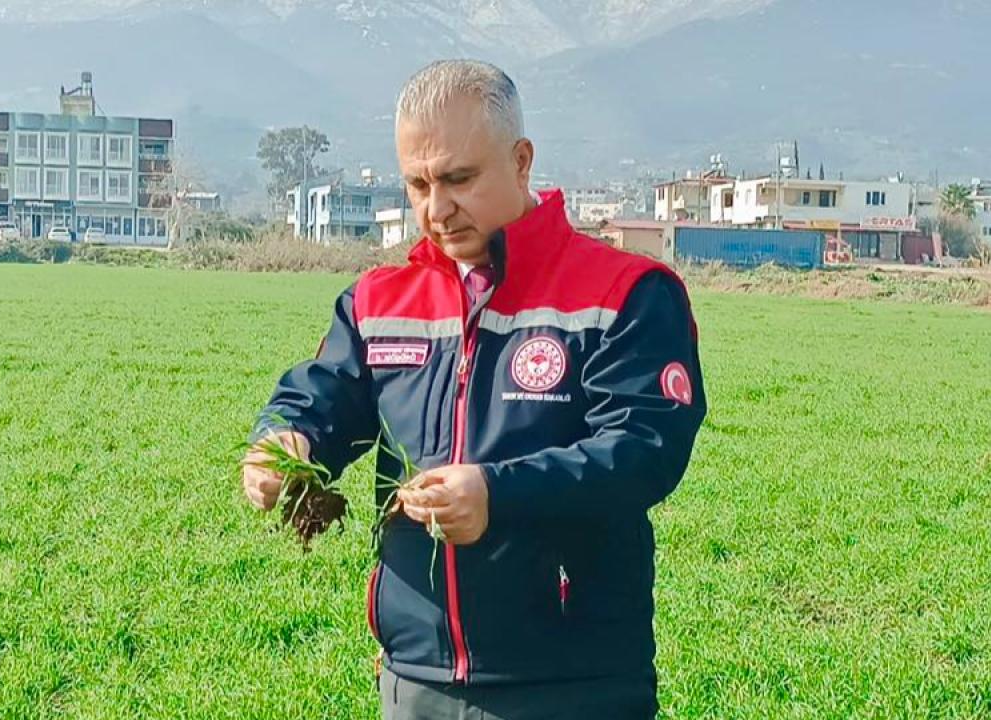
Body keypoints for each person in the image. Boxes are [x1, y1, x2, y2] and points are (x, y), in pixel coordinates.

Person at [243, 59, 707, 720]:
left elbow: (643, 451)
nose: (437, 208)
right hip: (416, 680)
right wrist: (285, 443)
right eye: (418, 184)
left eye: (459, 178)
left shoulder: (625, 294)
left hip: (576, 684)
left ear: (521, 161)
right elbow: (324, 400)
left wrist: (498, 494)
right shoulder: (378, 302)